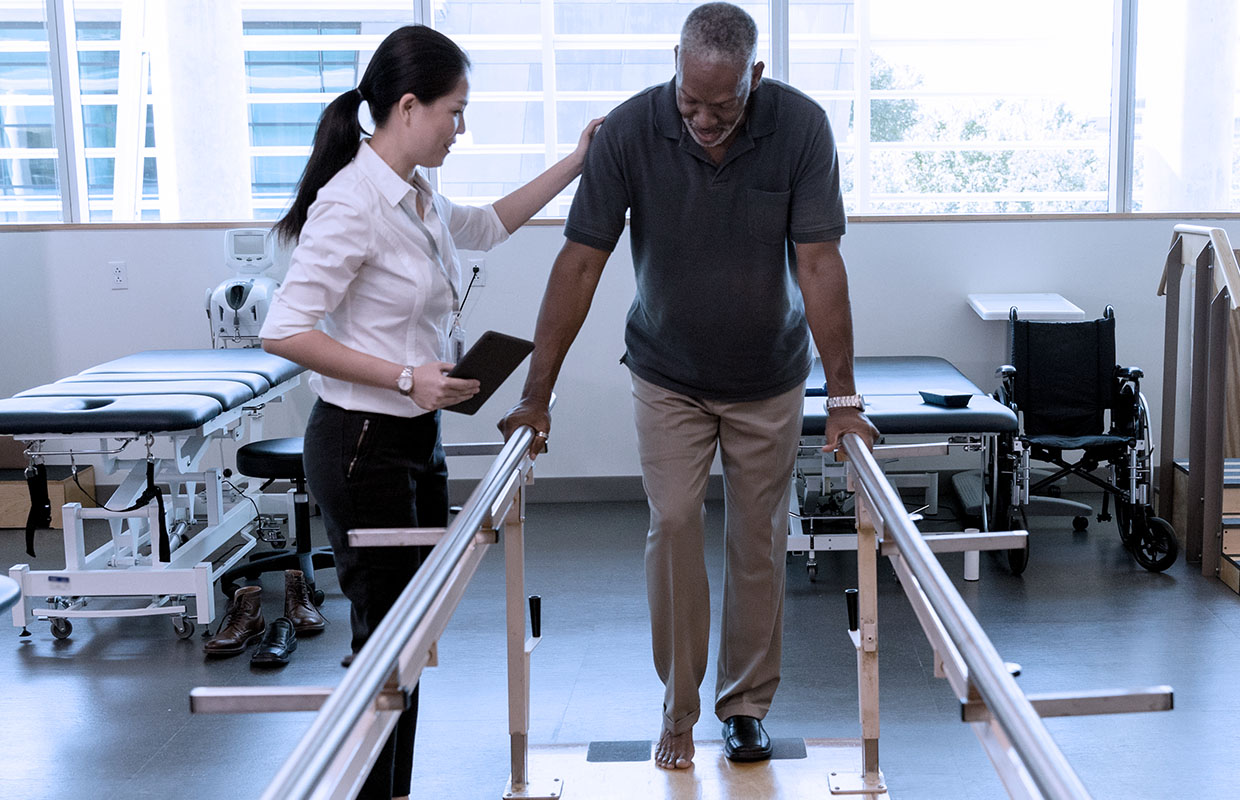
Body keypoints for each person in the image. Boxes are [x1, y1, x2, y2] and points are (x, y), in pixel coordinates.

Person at [498, 1, 877, 771]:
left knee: (757, 543)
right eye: (690, 101)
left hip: (768, 376)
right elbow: (579, 263)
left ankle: (743, 706)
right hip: (667, 372)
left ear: (756, 79)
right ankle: (678, 704)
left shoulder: (800, 129)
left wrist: (842, 398)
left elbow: (819, 265)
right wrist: (536, 395)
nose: (703, 119)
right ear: (674, 66)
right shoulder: (633, 131)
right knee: (672, 523)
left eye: (724, 104)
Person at [259, 24, 601, 800]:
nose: (461, 127)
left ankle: (392, 791)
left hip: (414, 437)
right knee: (384, 647)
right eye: (455, 110)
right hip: (360, 443)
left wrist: (578, 162)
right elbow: (283, 329)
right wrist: (403, 374)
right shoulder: (352, 202)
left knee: (411, 643)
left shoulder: (415, 192)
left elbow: (485, 225)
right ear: (408, 107)